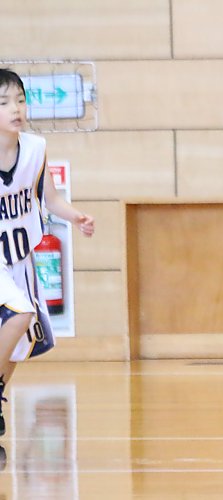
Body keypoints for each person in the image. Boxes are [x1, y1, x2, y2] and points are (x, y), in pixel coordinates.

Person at [0, 69, 95, 436]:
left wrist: (75, 217)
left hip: (22, 260)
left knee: (19, 345)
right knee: (21, 312)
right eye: (4, 102)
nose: (16, 108)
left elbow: (49, 198)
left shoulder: (35, 149)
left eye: (21, 100)